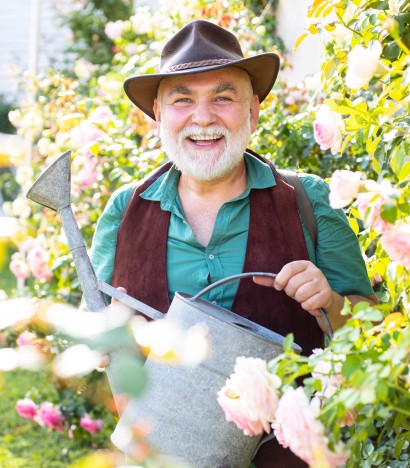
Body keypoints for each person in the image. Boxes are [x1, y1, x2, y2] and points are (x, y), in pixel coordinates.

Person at [91, 19, 377, 467]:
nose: (203, 117)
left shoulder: (308, 201)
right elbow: (97, 335)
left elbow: (376, 333)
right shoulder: (125, 212)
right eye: (182, 100)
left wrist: (334, 304)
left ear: (253, 111)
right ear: (158, 116)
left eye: (223, 98)